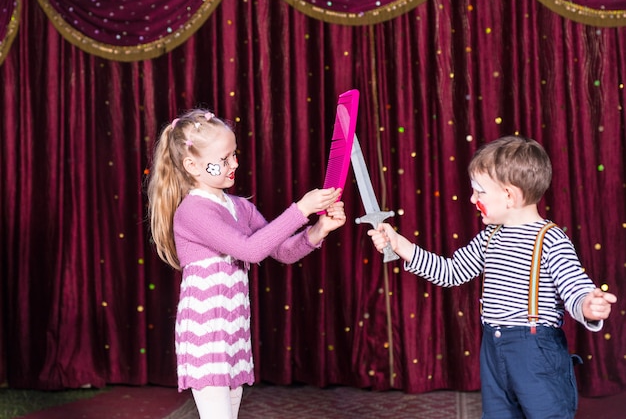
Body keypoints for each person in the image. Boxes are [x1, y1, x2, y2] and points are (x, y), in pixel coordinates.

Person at [368, 135, 617, 419]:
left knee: (547, 414)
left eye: (479, 192)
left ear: (509, 196)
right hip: (493, 348)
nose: (472, 199)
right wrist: (401, 245)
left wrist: (587, 304)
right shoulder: (490, 237)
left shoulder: (550, 239)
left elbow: (574, 286)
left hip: (535, 351)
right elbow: (451, 272)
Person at [146, 108, 346, 419]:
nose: (234, 164)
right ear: (192, 165)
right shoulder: (193, 212)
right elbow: (249, 250)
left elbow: (280, 251)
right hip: (205, 336)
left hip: (233, 334)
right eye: (224, 159)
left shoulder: (240, 207)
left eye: (234, 155)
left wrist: (319, 229)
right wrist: (301, 209)